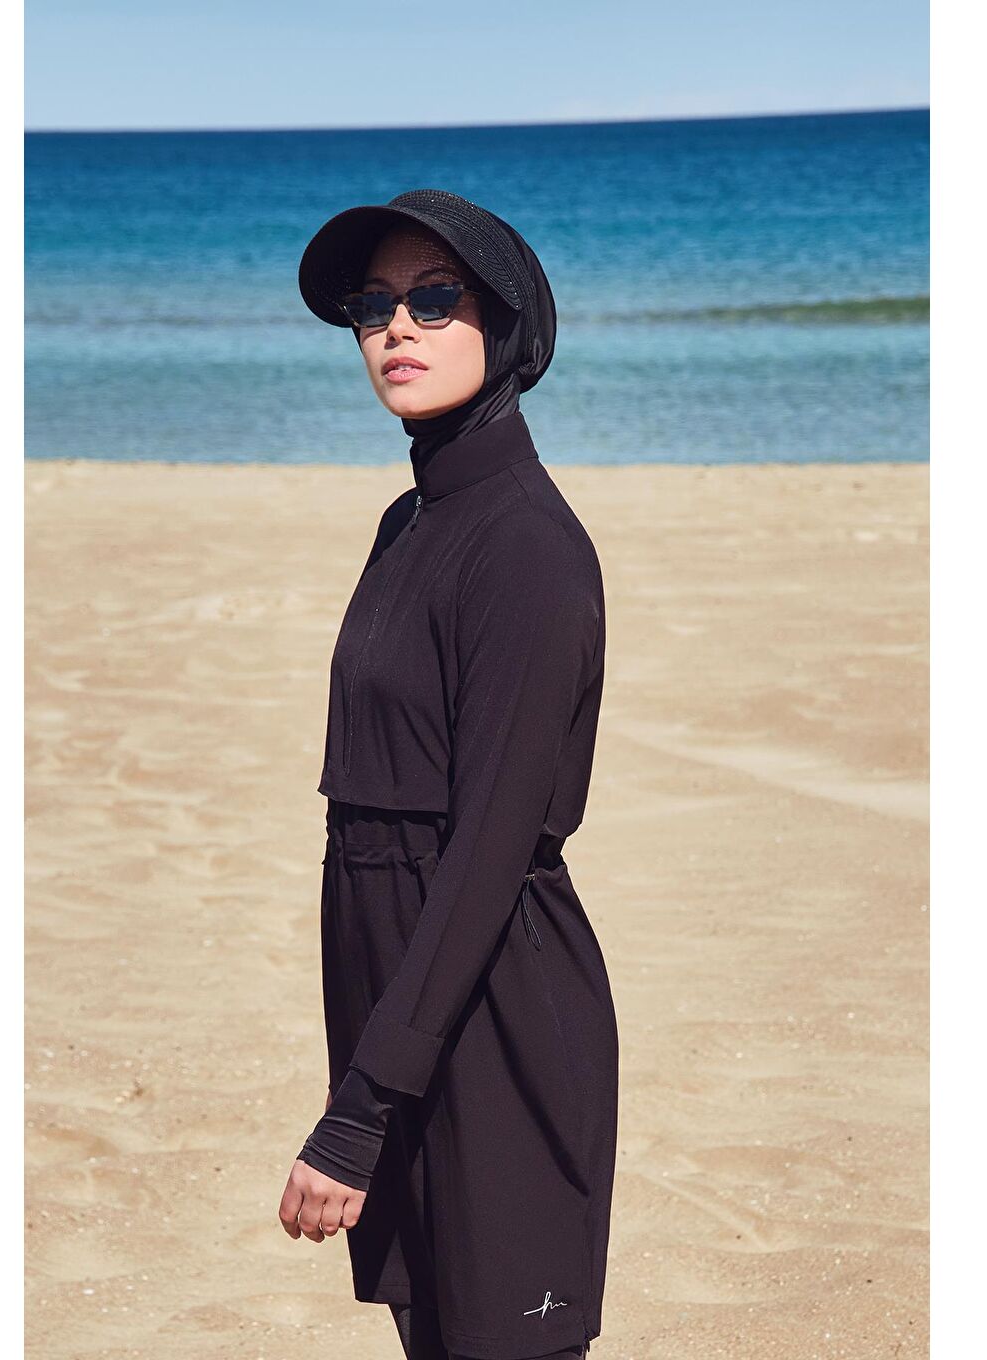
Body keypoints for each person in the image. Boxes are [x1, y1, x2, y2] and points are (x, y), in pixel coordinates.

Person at [277, 189, 619, 1360]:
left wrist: (361, 1109)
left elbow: (486, 853)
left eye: (434, 297)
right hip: (402, 996)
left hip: (493, 1007)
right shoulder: (409, 523)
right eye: (372, 305)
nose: (396, 327)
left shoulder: (527, 547)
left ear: (507, 324)